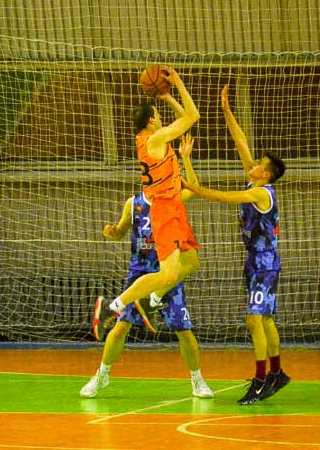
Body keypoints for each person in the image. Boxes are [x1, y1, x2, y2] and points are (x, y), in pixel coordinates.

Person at [82, 135, 213, 399]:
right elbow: (121, 231)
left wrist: (185, 157)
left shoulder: (172, 199)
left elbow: (196, 187)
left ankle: (197, 380)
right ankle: (101, 375)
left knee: (183, 330)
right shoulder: (133, 203)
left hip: (168, 275)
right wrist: (113, 231)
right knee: (121, 328)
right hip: (141, 272)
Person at [182, 84, 288, 405]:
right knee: (265, 318)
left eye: (258, 163)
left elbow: (227, 197)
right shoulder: (255, 179)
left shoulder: (259, 192)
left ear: (266, 173)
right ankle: (276, 373)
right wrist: (226, 109)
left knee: (254, 319)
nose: (252, 162)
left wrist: (196, 190)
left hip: (265, 261)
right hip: (257, 260)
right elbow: (240, 140)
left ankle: (259, 381)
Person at [93, 67, 201, 340]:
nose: (162, 118)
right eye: (158, 113)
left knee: (191, 262)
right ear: (152, 121)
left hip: (172, 206)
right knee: (168, 274)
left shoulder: (153, 139)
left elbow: (182, 117)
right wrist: (176, 83)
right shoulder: (155, 139)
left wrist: (165, 97)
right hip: (164, 209)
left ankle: (151, 299)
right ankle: (114, 305)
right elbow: (192, 116)